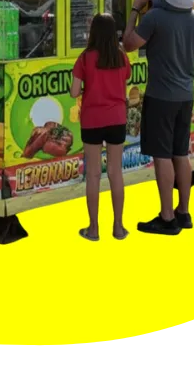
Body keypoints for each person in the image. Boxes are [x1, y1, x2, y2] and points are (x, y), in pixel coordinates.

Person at [122, 0, 194, 235]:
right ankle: (183, 212)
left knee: (162, 155)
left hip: (161, 95)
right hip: (185, 95)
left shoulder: (154, 16)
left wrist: (135, 9)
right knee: (180, 153)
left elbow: (128, 44)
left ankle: (167, 217)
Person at [70, 13, 130, 241]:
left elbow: (74, 92)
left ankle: (93, 229)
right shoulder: (121, 57)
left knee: (93, 174)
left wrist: (88, 90)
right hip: (117, 118)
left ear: (93, 32)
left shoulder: (85, 58)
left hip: (92, 119)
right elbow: (124, 81)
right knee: (116, 173)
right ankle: (118, 227)